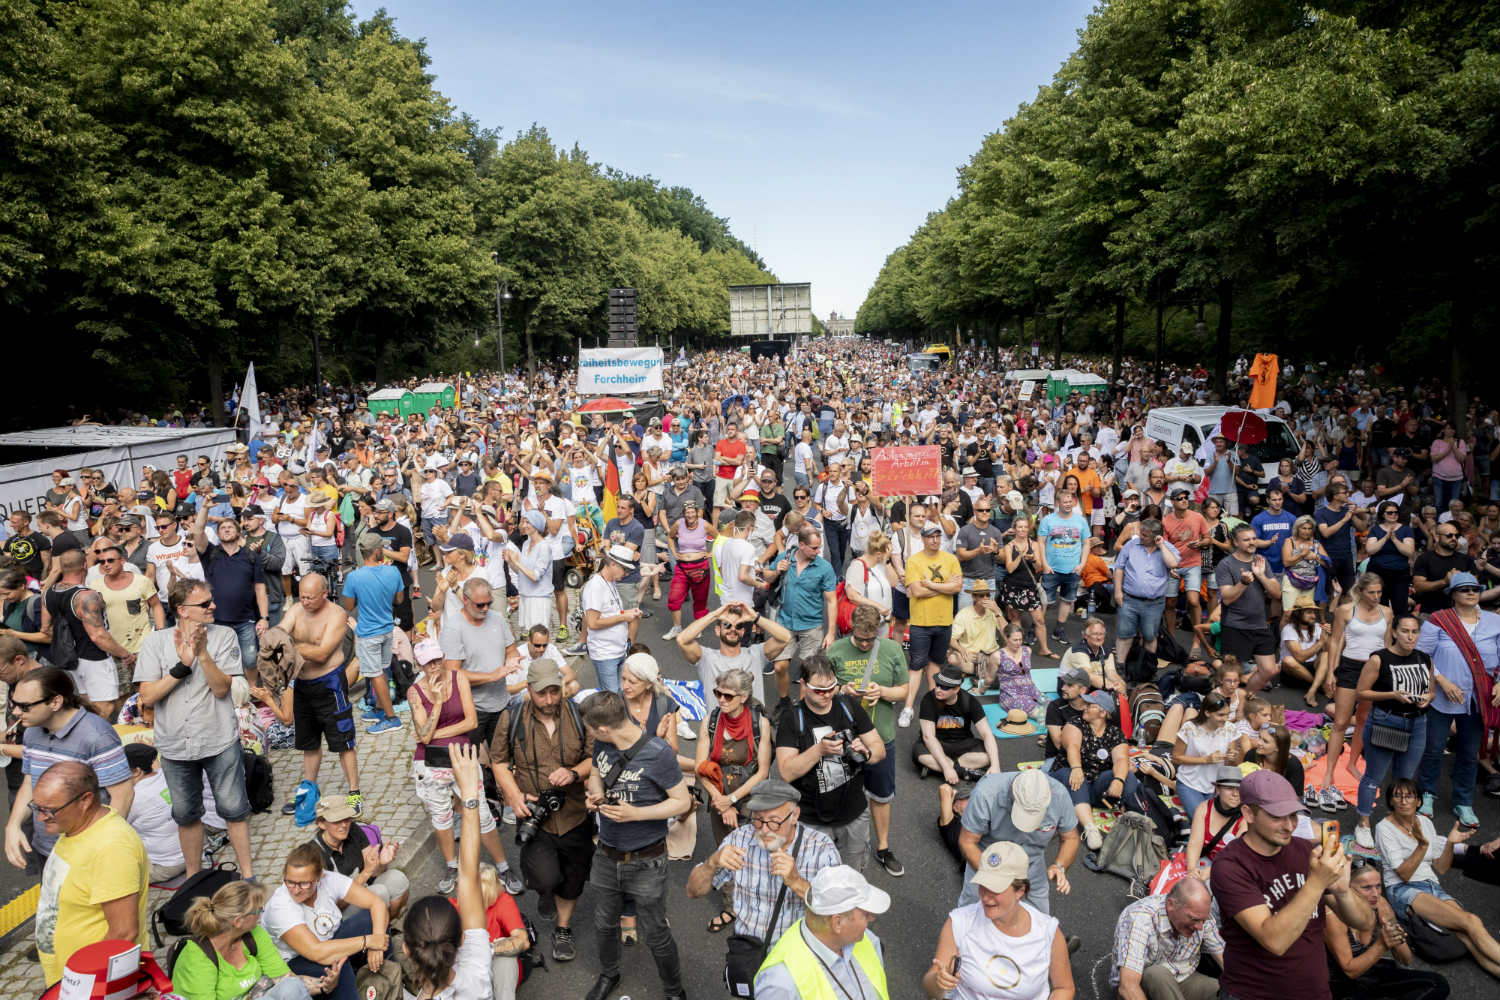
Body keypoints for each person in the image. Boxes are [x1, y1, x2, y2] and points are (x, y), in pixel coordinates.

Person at [1210, 769, 1374, 1000]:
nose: (1289, 826)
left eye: (1294, 815)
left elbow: (1366, 922)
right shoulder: (1230, 866)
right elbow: (1275, 941)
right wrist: (1317, 882)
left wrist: (1343, 891)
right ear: (1248, 813)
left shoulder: (1304, 851)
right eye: (1277, 816)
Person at [134, 578, 255, 878]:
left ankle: (248, 874)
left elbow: (220, 690)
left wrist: (202, 654)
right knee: (186, 815)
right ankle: (193, 878)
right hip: (175, 746)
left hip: (218, 740)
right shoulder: (155, 642)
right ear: (182, 611)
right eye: (204, 604)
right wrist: (181, 667)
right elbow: (147, 696)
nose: (212, 606)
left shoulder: (225, 635)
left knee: (234, 810)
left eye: (210, 600)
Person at [581, 690, 691, 1000]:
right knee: (603, 924)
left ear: (603, 727)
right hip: (606, 853)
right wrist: (595, 793)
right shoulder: (604, 743)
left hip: (647, 861)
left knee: (656, 933)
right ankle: (609, 974)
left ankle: (674, 991)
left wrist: (636, 814)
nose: (589, 733)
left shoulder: (658, 754)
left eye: (589, 728)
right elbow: (595, 772)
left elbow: (682, 802)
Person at [490, 656, 593, 962]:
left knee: (573, 878)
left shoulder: (578, 714)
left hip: (574, 812)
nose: (549, 700)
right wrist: (513, 795)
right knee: (545, 877)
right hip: (534, 814)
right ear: (530, 690)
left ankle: (563, 928)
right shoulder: (512, 716)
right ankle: (546, 891)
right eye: (542, 693)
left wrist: (575, 773)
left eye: (554, 692)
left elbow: (593, 758)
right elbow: (498, 761)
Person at [407, 635, 516, 898]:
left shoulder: (459, 679)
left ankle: (503, 866)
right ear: (420, 667)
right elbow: (423, 736)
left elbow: (470, 722)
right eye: (428, 664)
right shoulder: (415, 692)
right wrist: (438, 702)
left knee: (481, 813)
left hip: (464, 756)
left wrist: (435, 732)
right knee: (442, 817)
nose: (434, 667)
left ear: (443, 657)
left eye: (437, 660)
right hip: (431, 763)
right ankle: (451, 866)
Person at [30, 760, 148, 985]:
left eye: (49, 810)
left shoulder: (112, 847)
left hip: (89, 983)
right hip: (69, 976)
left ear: (85, 800)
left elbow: (123, 933)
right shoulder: (75, 827)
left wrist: (83, 986)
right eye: (36, 807)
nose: (40, 818)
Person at [5, 667, 133, 873]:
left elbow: (123, 796)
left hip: (88, 853)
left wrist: (97, 846)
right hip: (47, 848)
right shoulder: (31, 733)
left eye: (24, 706)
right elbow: (30, 783)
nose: (16, 713)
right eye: (14, 704)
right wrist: (13, 825)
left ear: (55, 702)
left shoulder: (97, 736)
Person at [685, 777, 840, 947]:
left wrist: (797, 882)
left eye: (774, 822)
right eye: (758, 819)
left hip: (795, 952)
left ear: (794, 815)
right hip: (747, 950)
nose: (764, 830)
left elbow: (838, 912)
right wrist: (711, 864)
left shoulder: (821, 848)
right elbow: (693, 892)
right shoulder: (739, 839)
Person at [1375, 777, 1500, 977]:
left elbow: (1440, 868)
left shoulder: (1425, 822)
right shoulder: (1384, 828)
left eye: (1409, 796)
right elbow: (1404, 874)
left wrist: (1450, 843)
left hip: (1433, 886)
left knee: (1466, 935)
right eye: (1398, 796)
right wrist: (1421, 845)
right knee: (1471, 921)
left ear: (1418, 801)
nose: (1404, 801)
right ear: (1391, 801)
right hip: (1404, 889)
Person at [400, 742, 495, 1000]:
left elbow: (467, 875)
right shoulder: (476, 972)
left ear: (406, 949)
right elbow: (468, 874)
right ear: (463, 939)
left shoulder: (473, 958)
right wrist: (469, 795)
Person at [923, 841, 1074, 1000]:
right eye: (983, 886)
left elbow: (1063, 988)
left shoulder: (1047, 932)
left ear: (1020, 890)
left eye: (995, 889)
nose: (986, 897)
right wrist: (938, 982)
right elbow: (931, 987)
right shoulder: (960, 922)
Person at [776, 655, 885, 871]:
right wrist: (819, 750)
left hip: (853, 814)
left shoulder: (848, 706)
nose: (827, 695)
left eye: (831, 688)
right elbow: (786, 772)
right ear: (804, 685)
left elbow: (879, 748)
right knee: (813, 877)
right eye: (819, 690)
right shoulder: (792, 719)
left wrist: (867, 752)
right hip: (811, 818)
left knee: (852, 877)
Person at [826, 604, 911, 877]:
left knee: (881, 796)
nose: (864, 644)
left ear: (878, 632)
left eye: (869, 639)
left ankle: (883, 848)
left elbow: (904, 691)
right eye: (859, 638)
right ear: (850, 627)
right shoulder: (836, 650)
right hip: (844, 738)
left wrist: (883, 692)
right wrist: (843, 690)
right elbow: (822, 691)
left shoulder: (891, 649)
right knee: (837, 792)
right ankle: (838, 845)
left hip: (880, 737)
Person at [1416, 571, 1499, 827]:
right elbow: (1421, 656)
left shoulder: (1494, 621)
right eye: (1464, 589)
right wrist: (1441, 680)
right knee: (1433, 748)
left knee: (1469, 751)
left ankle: (1463, 802)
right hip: (1443, 696)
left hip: (1479, 697)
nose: (1471, 592)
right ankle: (1427, 794)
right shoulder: (1439, 620)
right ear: (1452, 595)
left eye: (1475, 588)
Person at [261, 840, 392, 1000]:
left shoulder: (328, 879)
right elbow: (317, 952)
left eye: (303, 883)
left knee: (370, 920)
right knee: (336, 964)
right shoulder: (280, 907)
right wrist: (368, 941)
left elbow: (376, 903)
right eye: (290, 882)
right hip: (299, 961)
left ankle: (391, 981)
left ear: (318, 877)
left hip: (331, 940)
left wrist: (376, 945)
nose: (295, 889)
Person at [278, 572, 362, 815]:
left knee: (343, 742)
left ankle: (354, 793)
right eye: (302, 596)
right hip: (303, 686)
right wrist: (275, 638)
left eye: (310, 598)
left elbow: (323, 653)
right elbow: (281, 631)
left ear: (324, 594)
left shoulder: (336, 614)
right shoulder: (296, 609)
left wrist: (289, 646)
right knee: (309, 743)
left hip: (330, 685)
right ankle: (308, 791)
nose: (305, 602)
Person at [171, 878, 328, 1000]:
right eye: (259, 910)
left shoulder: (254, 934)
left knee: (291, 986)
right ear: (239, 921)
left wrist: (323, 985)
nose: (263, 911)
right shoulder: (196, 958)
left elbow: (284, 978)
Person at [1353, 614, 1433, 849]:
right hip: (1387, 721)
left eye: (1415, 632)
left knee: (1405, 780)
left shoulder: (1425, 658)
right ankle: (1364, 823)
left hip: (1417, 723)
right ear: (1395, 632)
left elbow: (1431, 691)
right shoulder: (1380, 659)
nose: (1410, 637)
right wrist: (1392, 695)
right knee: (1374, 777)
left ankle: (1399, 824)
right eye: (1405, 631)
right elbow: (1362, 692)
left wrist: (1428, 698)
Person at [755, 864, 891, 1000]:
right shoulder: (781, 984)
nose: (872, 918)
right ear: (837, 923)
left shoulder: (868, 939)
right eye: (866, 914)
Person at [1326, 856, 1451, 1000]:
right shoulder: (1333, 915)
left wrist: (1396, 938)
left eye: (1378, 886)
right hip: (1342, 984)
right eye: (1366, 888)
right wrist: (1382, 944)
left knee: (1437, 983)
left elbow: (1406, 960)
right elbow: (1350, 971)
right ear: (1347, 889)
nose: (1375, 894)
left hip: (1371, 973)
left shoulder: (1380, 904)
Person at [957, 769, 1079, 913]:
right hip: (989, 861)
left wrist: (1059, 866)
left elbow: (1070, 837)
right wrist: (991, 877)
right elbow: (967, 842)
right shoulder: (986, 793)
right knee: (972, 918)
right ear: (1012, 792)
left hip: (1031, 865)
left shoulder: (1060, 795)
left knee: (1039, 921)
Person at [1320, 573, 1393, 811]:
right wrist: (1331, 670)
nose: (1376, 596)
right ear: (1361, 591)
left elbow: (1389, 645)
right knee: (1341, 721)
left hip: (1376, 668)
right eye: (1371, 592)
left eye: (1379, 592)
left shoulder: (1387, 612)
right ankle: (1330, 771)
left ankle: (1352, 764)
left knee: (1363, 720)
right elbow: (1335, 641)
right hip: (1351, 666)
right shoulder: (1345, 610)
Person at [40, 549, 133, 717]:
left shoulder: (48, 594)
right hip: (94, 658)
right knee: (105, 707)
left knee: (87, 704)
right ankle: (97, 741)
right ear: (84, 566)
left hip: (69, 659)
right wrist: (125, 654)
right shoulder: (87, 596)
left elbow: (45, 628)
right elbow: (98, 636)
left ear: (61, 567)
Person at [695, 666, 773, 857]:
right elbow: (699, 768)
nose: (721, 699)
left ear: (744, 697)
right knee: (727, 852)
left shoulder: (760, 724)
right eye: (718, 693)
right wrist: (721, 801)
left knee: (751, 854)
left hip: (750, 799)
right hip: (718, 795)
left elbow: (762, 772)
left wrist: (732, 800)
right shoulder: (710, 722)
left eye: (728, 696)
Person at [190, 499, 271, 678]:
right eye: (222, 528)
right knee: (219, 660)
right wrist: (204, 507)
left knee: (250, 660)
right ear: (218, 534)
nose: (226, 529)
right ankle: (226, 696)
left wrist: (264, 618)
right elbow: (197, 531)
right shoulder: (210, 553)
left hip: (246, 620)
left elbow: (260, 589)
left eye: (230, 527)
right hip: (217, 620)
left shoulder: (250, 556)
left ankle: (250, 694)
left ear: (239, 532)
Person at [763, 522, 839, 711]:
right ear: (801, 545)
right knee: (780, 667)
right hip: (785, 623)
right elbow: (767, 577)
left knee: (808, 672)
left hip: (811, 626)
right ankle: (784, 701)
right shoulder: (786, 557)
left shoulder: (824, 568)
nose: (818, 550)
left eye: (819, 546)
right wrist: (776, 571)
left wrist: (830, 633)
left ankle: (803, 709)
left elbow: (831, 601)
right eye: (814, 547)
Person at [1111, 878, 1223, 1000]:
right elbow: (1128, 987)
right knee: (1157, 975)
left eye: (1203, 920)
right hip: (1143, 986)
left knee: (1223, 991)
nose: (1200, 927)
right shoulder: (1140, 919)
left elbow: (1225, 958)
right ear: (1170, 905)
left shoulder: (1199, 915)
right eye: (1194, 919)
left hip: (1182, 978)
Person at [898, 521, 963, 727]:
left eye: (937, 536)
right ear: (923, 539)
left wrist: (931, 585)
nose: (935, 540)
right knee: (916, 666)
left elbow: (958, 587)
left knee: (935, 665)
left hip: (944, 621)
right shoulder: (914, 561)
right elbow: (916, 592)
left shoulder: (951, 559)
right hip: (921, 622)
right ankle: (908, 708)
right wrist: (945, 586)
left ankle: (933, 706)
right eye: (930, 536)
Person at [340, 533, 404, 734]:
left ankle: (391, 717)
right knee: (382, 671)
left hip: (368, 633)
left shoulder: (355, 577)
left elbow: (348, 606)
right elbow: (399, 600)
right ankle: (379, 709)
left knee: (376, 674)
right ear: (377, 551)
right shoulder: (393, 572)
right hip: (387, 629)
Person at [678, 599, 791, 710]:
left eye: (738, 626)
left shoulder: (756, 654)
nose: (733, 629)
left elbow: (785, 638)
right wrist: (714, 615)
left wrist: (755, 617)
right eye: (727, 625)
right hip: (720, 726)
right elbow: (682, 640)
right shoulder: (707, 658)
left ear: (742, 632)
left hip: (753, 726)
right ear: (717, 630)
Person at [308, 796, 410, 915]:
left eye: (346, 818)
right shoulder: (314, 855)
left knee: (398, 878)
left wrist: (381, 863)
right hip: (338, 911)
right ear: (321, 823)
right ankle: (374, 930)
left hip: (363, 887)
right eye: (336, 821)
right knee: (379, 892)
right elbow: (335, 905)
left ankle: (386, 928)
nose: (344, 825)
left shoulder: (353, 829)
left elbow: (374, 872)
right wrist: (366, 872)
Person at [1214, 523, 1282, 692]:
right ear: (1236, 543)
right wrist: (1243, 583)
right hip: (1235, 627)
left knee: (1269, 670)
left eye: (1253, 539)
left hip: (1259, 625)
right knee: (1231, 675)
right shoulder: (1226, 564)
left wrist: (1261, 575)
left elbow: (1277, 594)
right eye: (1246, 540)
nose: (1252, 542)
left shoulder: (1261, 562)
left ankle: (1244, 699)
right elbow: (1227, 599)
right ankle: (1229, 705)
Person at [1112, 517, 1181, 672]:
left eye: (1145, 535)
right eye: (1141, 533)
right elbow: (1119, 567)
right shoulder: (1131, 545)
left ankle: (1148, 667)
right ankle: (1120, 665)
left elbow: (1173, 564)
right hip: (1129, 599)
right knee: (1124, 634)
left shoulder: (1167, 548)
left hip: (1154, 603)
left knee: (1150, 636)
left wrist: (1161, 545)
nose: (1140, 537)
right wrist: (1117, 591)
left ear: (1156, 536)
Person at [916, 665, 1001, 782]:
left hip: (962, 744)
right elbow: (928, 737)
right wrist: (946, 768)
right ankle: (963, 771)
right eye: (937, 684)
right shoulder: (929, 699)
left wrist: (996, 766)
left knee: (987, 757)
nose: (938, 689)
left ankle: (938, 768)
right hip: (937, 743)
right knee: (920, 754)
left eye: (944, 687)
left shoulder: (970, 701)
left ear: (956, 689)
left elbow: (986, 733)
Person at [120, 743, 187, 883]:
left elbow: (117, 827)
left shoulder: (134, 797)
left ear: (136, 771)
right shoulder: (165, 775)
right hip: (191, 854)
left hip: (163, 866)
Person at [582, 544, 642, 694]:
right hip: (605, 653)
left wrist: (628, 612)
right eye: (624, 568)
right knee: (612, 698)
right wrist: (623, 616)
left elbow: (610, 612)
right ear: (613, 564)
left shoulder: (610, 582)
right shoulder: (595, 587)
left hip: (618, 650)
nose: (626, 573)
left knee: (622, 693)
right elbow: (593, 623)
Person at [1171, 692, 1239, 821]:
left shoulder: (1230, 729)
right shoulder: (1189, 728)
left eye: (1228, 714)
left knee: (1222, 819)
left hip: (1216, 786)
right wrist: (1205, 760)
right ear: (1207, 713)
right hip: (1189, 784)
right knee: (1202, 820)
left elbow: (1231, 765)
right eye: (1221, 715)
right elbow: (1176, 757)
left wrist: (1232, 758)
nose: (1226, 719)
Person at [1181, 766, 1247, 882]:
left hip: (1234, 868)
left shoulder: (1245, 816)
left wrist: (1209, 872)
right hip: (1207, 861)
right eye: (1229, 788)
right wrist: (1192, 870)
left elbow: (1235, 856)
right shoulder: (1204, 808)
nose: (1235, 794)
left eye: (1238, 789)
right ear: (1217, 788)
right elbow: (1195, 843)